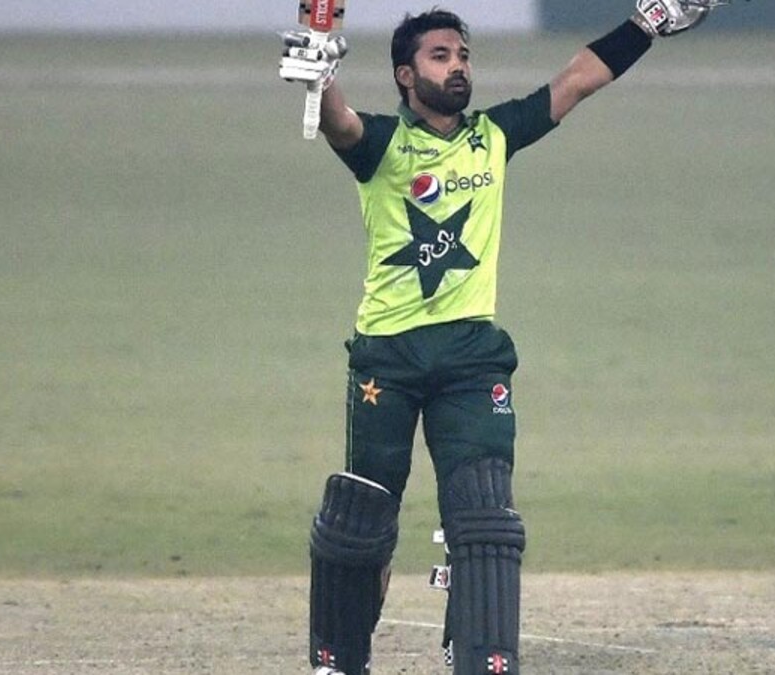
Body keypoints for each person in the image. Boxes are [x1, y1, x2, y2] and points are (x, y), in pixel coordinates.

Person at [279, 2, 719, 673]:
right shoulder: (382, 146)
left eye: (463, 56)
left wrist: (647, 23)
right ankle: (341, 658)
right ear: (405, 75)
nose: (457, 67)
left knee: (482, 517)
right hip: (387, 359)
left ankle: (475, 649)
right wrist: (321, 76)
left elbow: (577, 81)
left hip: (470, 357)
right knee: (365, 521)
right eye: (440, 56)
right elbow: (338, 124)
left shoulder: (492, 136)